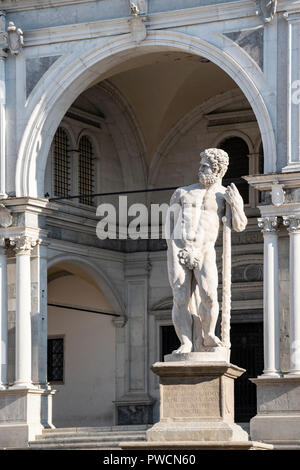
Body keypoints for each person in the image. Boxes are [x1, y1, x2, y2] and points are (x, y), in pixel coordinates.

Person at [166, 148, 247, 354]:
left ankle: (209, 334)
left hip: (204, 250)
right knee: (180, 298)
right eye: (200, 165)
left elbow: (239, 225)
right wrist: (173, 247)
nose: (200, 169)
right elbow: (169, 224)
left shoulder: (224, 195)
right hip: (179, 249)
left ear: (218, 169)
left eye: (205, 166)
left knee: (210, 296)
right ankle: (185, 342)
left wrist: (236, 205)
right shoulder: (182, 192)